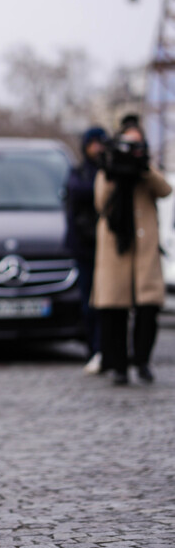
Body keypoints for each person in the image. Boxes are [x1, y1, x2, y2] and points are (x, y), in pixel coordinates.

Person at [92, 119, 171, 385]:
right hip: (117, 248)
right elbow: (100, 202)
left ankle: (143, 361)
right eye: (128, 142)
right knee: (115, 311)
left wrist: (143, 168)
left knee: (147, 309)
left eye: (137, 143)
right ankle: (118, 365)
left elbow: (165, 190)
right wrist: (115, 169)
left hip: (144, 249)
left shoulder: (146, 168)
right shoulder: (108, 168)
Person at [64, 126, 108, 374]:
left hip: (107, 247)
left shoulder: (105, 170)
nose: (97, 149)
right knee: (88, 302)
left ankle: (106, 349)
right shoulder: (79, 172)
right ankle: (94, 349)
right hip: (85, 246)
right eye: (94, 143)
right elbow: (79, 191)